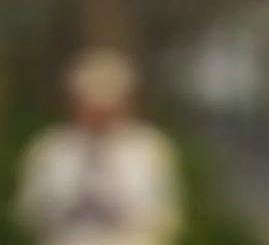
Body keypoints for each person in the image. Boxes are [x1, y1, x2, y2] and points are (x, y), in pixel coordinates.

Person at [15, 50, 182, 245]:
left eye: (107, 109)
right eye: (91, 108)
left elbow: (166, 214)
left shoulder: (149, 148)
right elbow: (29, 212)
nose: (99, 117)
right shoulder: (50, 148)